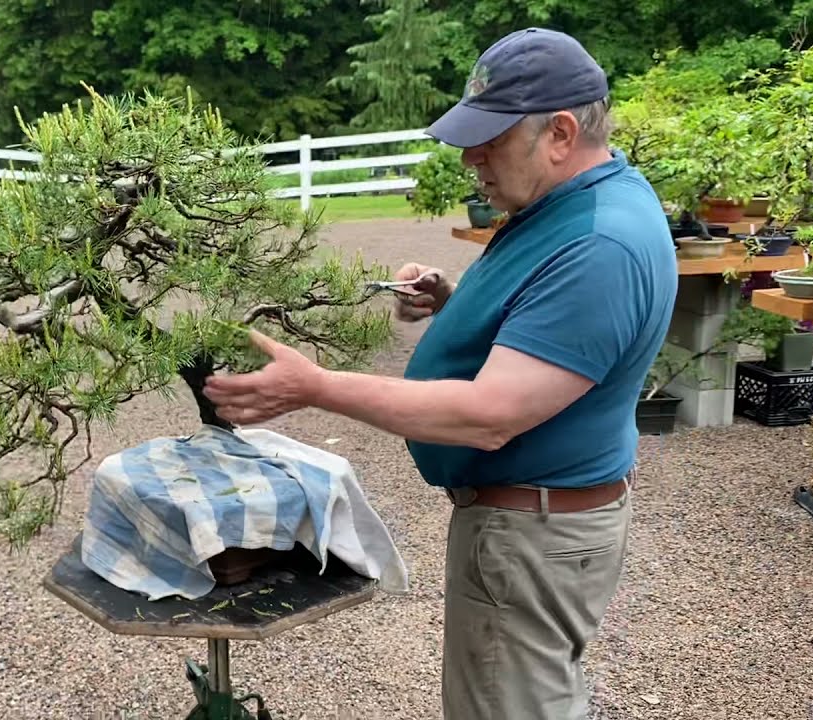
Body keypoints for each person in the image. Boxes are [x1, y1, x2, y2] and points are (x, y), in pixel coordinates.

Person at [202, 27, 678, 720]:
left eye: (490, 139)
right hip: (531, 526)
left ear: (561, 132)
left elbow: (491, 416)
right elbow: (551, 328)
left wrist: (316, 386)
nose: (469, 157)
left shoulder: (601, 243)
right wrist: (453, 305)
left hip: (532, 537)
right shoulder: (573, 200)